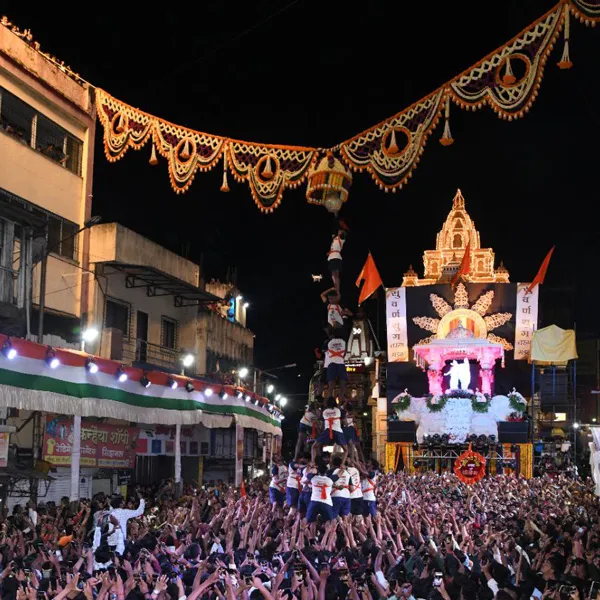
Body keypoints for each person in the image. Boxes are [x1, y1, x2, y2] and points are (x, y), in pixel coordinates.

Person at [311, 396, 348, 464]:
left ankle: (313, 462)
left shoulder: (324, 412)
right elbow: (346, 424)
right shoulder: (339, 410)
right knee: (346, 450)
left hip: (327, 431)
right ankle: (342, 464)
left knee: (314, 446)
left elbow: (322, 426)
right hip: (338, 431)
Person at [304, 459, 338, 523]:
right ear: (326, 471)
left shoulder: (313, 478)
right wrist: (342, 468)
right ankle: (328, 532)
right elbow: (339, 474)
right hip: (326, 503)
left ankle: (311, 533)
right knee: (329, 522)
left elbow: (307, 473)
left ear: (318, 471)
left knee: (310, 522)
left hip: (314, 502)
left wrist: (312, 467)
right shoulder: (330, 479)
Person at [324, 326, 348, 404]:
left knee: (331, 387)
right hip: (340, 363)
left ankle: (329, 404)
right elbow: (344, 353)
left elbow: (327, 351)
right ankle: (340, 404)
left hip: (331, 364)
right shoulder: (343, 342)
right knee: (343, 387)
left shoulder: (329, 342)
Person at [327, 223, 348, 295]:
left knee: (336, 274)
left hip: (336, 256)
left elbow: (342, 230)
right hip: (331, 257)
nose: (338, 231)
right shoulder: (335, 238)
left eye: (340, 231)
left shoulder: (342, 239)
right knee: (333, 274)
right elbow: (334, 229)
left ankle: (337, 290)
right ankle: (335, 288)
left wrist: (337, 217)